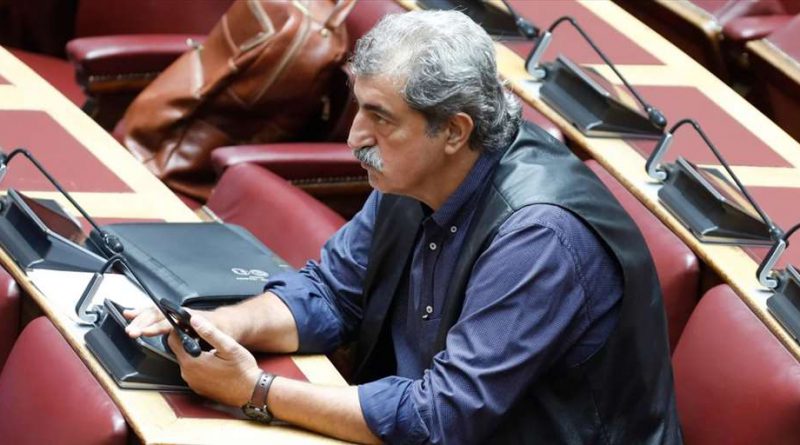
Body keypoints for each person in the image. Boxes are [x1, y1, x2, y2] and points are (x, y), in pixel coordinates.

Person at [126, 10, 681, 444]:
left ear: (454, 130)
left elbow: (441, 420)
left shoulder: (538, 238)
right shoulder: (416, 172)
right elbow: (331, 294)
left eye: (380, 117)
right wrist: (220, 326)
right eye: (359, 108)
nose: (354, 137)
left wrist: (257, 391)